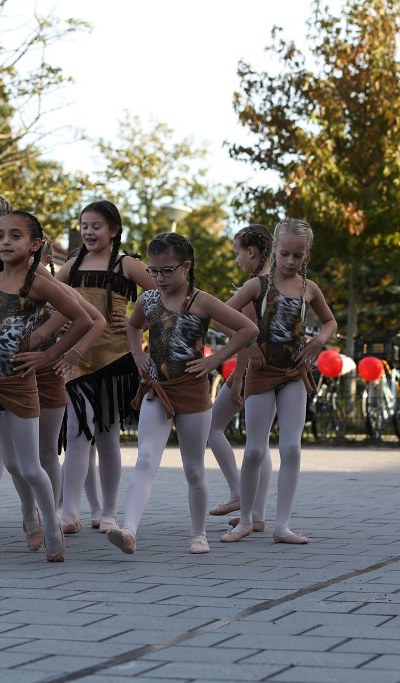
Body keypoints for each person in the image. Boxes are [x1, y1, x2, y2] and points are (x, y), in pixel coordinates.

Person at [0, 210, 92, 574]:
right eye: (1, 236)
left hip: (19, 384)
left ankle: (51, 525)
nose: (5, 242)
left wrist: (48, 353)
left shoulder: (38, 283)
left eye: (15, 236)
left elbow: (83, 320)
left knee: (30, 467)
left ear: (35, 244)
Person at [107, 232, 256, 555]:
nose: (159, 278)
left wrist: (216, 359)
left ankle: (198, 533)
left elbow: (248, 329)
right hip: (156, 390)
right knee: (146, 457)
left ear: (186, 267)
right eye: (153, 271)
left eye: (167, 270)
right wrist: (138, 355)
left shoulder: (200, 300)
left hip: (192, 392)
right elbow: (134, 327)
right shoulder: (148, 300)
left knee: (193, 468)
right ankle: (129, 529)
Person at [221, 218, 337, 545]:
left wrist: (317, 343)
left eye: (297, 256)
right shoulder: (257, 286)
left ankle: (282, 524)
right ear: (274, 249)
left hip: (293, 374)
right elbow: (222, 315)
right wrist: (249, 343)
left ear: (307, 255)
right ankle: (245, 520)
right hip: (261, 373)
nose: (290, 261)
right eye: (284, 253)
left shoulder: (308, 288)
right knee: (256, 449)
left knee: (291, 446)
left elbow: (330, 322)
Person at [56, 200, 157, 535]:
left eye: (96, 225)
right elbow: (50, 296)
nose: (88, 231)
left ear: (113, 229)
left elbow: (164, 295)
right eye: (84, 225)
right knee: (77, 432)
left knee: (107, 436)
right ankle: (69, 511)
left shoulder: (127, 264)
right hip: (77, 359)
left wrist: (134, 322)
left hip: (114, 360)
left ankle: (108, 512)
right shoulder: (73, 264)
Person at [206, 225, 273, 522]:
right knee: (261, 442)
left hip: (249, 372)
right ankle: (256, 512)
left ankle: (238, 493)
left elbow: (244, 336)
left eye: (237, 254)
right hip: (270, 371)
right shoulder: (279, 285)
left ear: (252, 252)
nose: (236, 260)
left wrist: (237, 380)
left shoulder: (253, 287)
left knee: (213, 426)